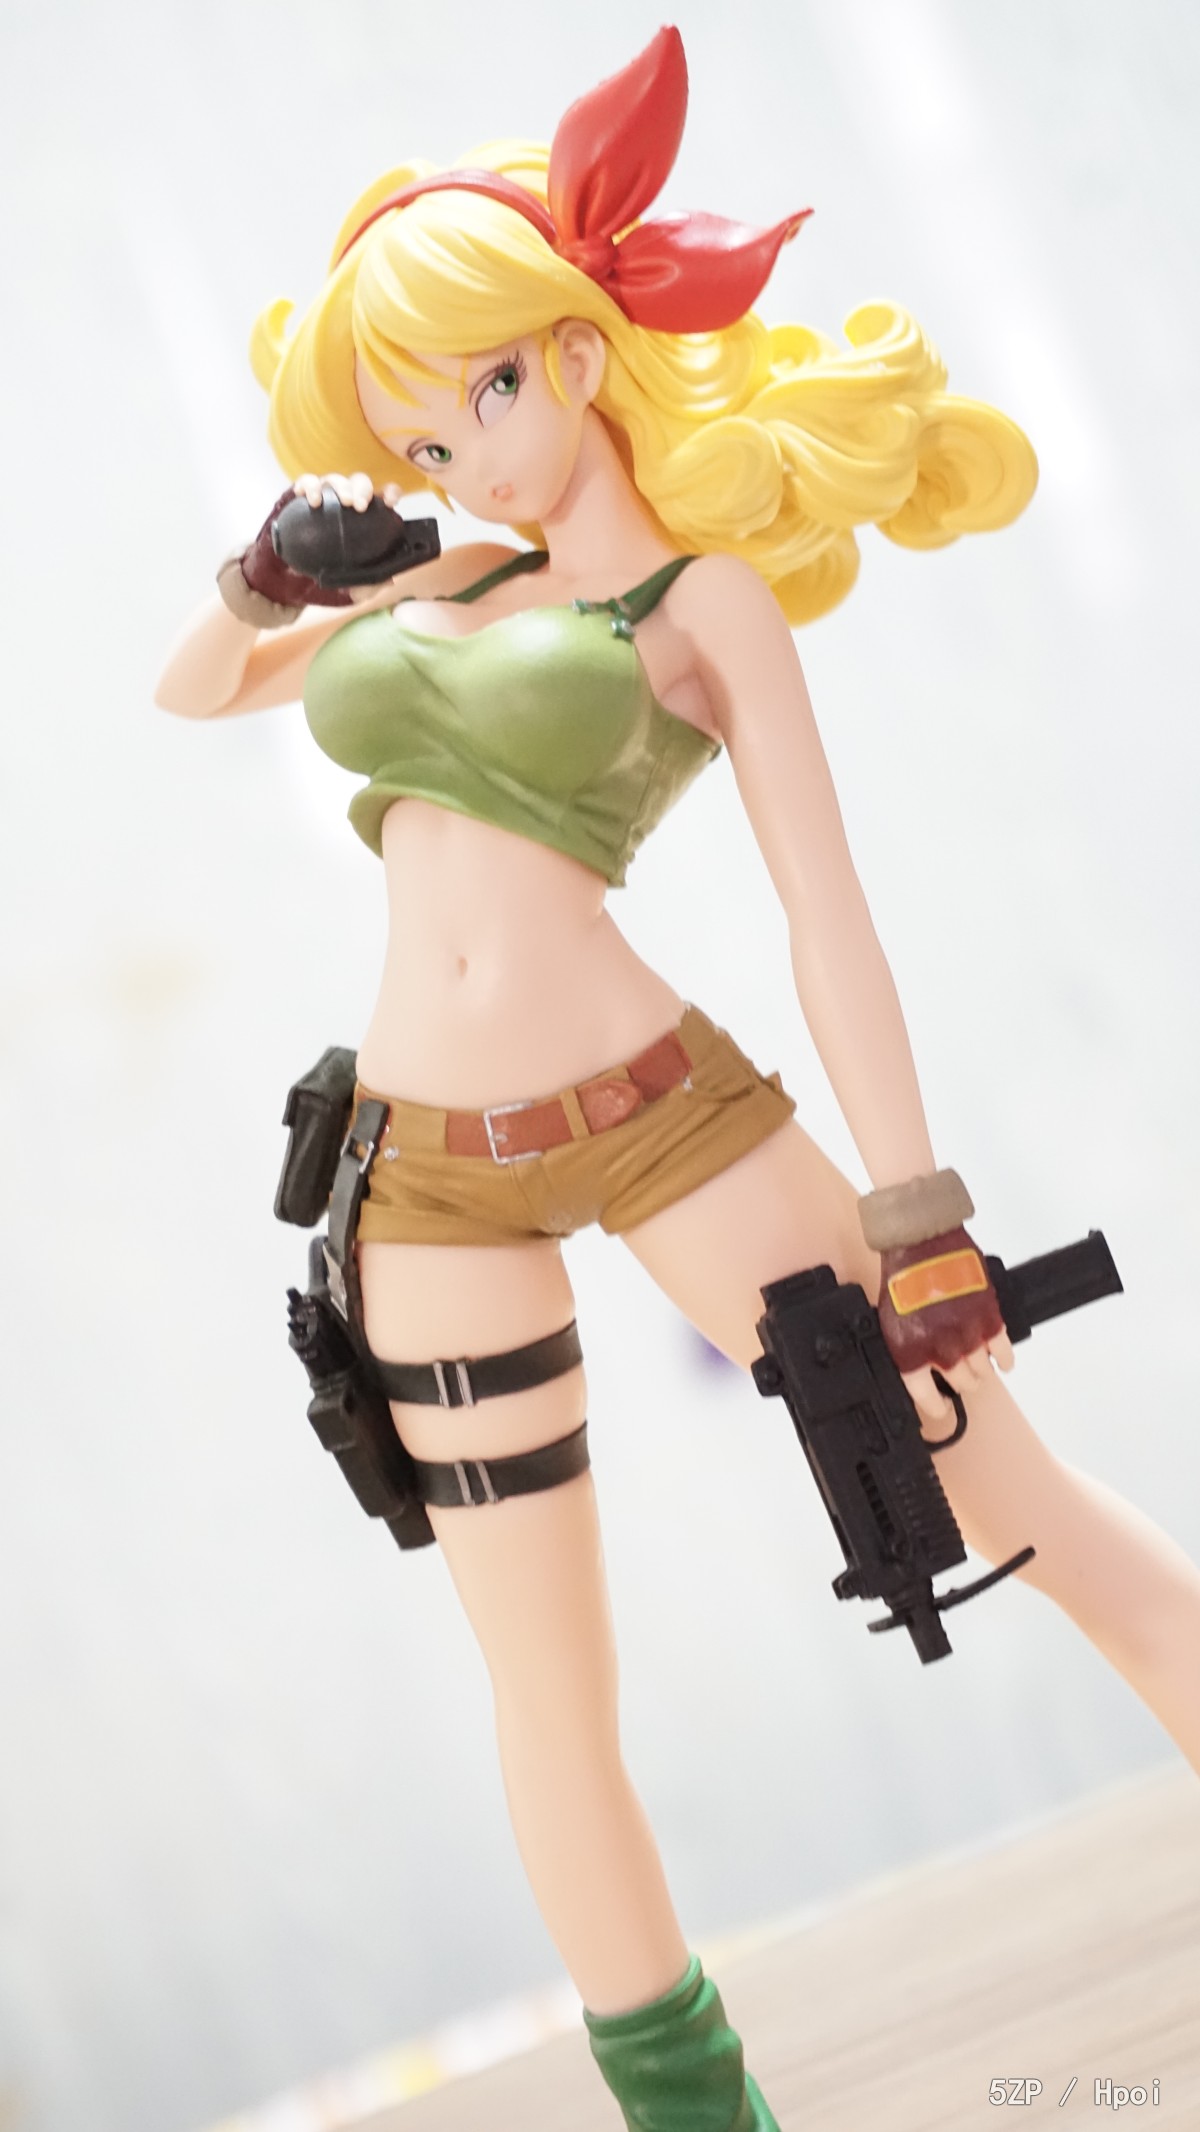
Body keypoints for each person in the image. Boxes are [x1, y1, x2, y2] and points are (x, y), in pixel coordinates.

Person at [155, 28, 1200, 2131]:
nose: (460, 453)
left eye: (486, 391)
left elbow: (830, 914)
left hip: (660, 1114)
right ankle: (697, 2112)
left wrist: (917, 1212)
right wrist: (267, 572)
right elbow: (197, 692)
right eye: (414, 426)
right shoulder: (442, 571)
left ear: (579, 346)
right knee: (546, 1683)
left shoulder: (697, 597)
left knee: (1006, 1492)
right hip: (416, 1175)